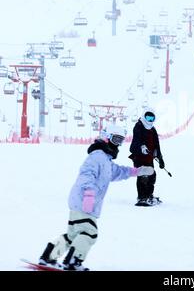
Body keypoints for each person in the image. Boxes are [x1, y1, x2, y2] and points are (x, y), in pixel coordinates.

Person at [38, 125, 151, 270]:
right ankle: (73, 261)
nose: (118, 144)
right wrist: (89, 194)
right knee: (89, 232)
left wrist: (138, 171)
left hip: (81, 201)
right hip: (84, 200)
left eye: (120, 141)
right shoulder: (98, 156)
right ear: (106, 137)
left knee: (73, 235)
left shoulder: (105, 160)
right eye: (116, 139)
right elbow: (87, 174)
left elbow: (117, 172)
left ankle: (48, 257)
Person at [129, 108, 165, 207]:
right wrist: (141, 147)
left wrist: (160, 158)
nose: (149, 120)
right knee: (143, 175)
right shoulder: (138, 126)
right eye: (148, 117)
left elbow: (156, 145)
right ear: (144, 116)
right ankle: (142, 197)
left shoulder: (153, 129)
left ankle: (149, 195)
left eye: (151, 118)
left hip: (149, 157)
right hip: (139, 156)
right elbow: (136, 141)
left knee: (152, 175)